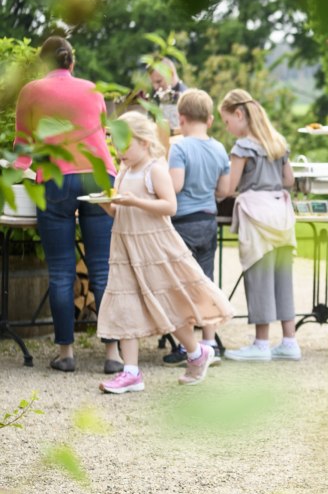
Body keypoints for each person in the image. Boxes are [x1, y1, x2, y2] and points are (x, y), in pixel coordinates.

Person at [94, 113, 234, 393]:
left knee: (168, 306)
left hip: (154, 248)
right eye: (116, 146)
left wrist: (135, 201)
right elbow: (119, 210)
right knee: (126, 306)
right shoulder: (123, 172)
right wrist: (106, 203)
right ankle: (131, 372)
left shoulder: (154, 169)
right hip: (125, 247)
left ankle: (197, 353)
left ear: (145, 142)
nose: (119, 151)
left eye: (125, 144)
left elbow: (170, 206)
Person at [13, 36, 123, 374]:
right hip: (98, 177)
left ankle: (66, 353)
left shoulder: (30, 91)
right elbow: (102, 136)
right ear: (71, 63)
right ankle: (113, 355)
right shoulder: (92, 89)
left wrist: (16, 175)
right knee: (103, 269)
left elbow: (22, 146)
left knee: (61, 270)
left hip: (57, 179)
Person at [218, 89, 299, 362]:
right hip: (281, 213)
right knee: (282, 277)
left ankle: (261, 344)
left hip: (256, 216)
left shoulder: (242, 148)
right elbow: (288, 180)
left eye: (228, 122)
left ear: (239, 114)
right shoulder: (279, 143)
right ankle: (289, 341)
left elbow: (229, 188)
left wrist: (219, 186)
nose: (228, 129)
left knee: (259, 278)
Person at [161, 89, 232, 366]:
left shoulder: (179, 147)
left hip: (184, 223)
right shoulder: (219, 148)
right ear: (211, 119)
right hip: (208, 221)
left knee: (182, 285)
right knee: (206, 283)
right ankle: (210, 341)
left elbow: (175, 186)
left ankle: (185, 346)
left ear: (181, 118)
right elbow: (224, 190)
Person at [146, 57, 187, 133]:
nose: (156, 87)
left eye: (159, 81)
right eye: (153, 83)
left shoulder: (188, 99)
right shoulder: (155, 97)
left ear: (170, 74)